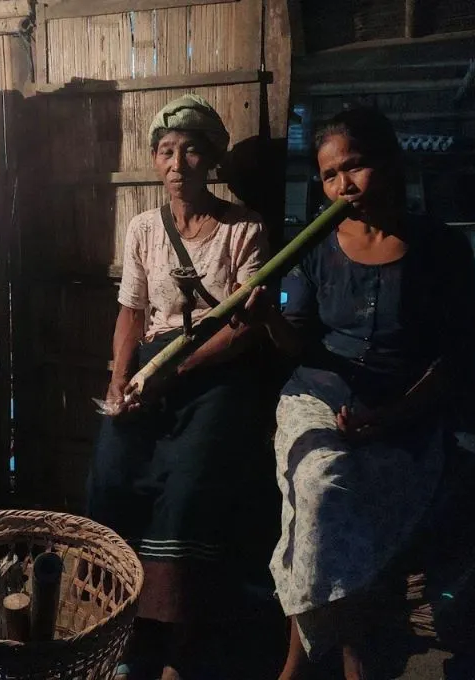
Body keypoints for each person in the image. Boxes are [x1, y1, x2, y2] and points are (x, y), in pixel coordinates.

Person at [243, 108, 475, 679]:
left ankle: (306, 662)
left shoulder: (441, 249)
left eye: (356, 166)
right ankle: (346, 658)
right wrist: (263, 319)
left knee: (348, 507)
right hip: (317, 400)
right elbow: (298, 346)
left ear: (389, 163)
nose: (342, 185)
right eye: (329, 175)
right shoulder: (316, 246)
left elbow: (454, 360)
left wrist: (393, 415)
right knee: (322, 485)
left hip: (406, 412)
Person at [86, 95, 269, 680]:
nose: (177, 162)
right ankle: (119, 624)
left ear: (210, 158)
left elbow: (243, 328)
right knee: (113, 475)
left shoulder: (244, 229)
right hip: (148, 368)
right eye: (166, 151)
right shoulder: (143, 227)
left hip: (213, 372)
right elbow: (130, 314)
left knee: (188, 492)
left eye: (191, 150)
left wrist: (176, 371)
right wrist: (119, 383)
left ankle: (175, 640)